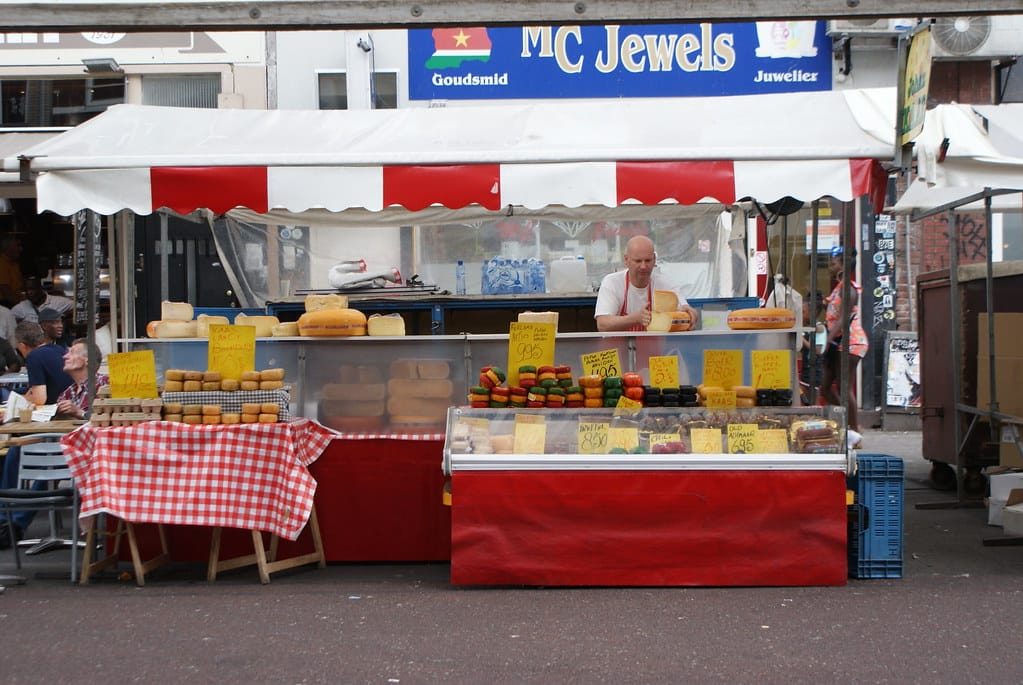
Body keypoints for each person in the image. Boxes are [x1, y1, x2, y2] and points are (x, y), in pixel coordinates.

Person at [1, 338, 105, 546]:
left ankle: (15, 525)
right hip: (65, 450)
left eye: (71, 352)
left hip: (91, 453)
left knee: (48, 463)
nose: (64, 356)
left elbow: (105, 420)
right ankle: (4, 520)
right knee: (17, 451)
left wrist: (81, 412)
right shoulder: (67, 393)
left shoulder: (103, 385)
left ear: (86, 360)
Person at [594, 235, 698, 332]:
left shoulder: (665, 284)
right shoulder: (612, 282)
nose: (643, 266)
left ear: (654, 259)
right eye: (638, 261)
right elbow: (603, 324)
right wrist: (635, 319)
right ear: (626, 260)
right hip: (619, 350)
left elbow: (686, 311)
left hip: (654, 351)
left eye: (648, 260)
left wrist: (691, 314)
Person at [820, 245, 868, 447]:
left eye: (833, 264)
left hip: (851, 342)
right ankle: (849, 419)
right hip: (838, 343)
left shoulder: (848, 289)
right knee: (825, 387)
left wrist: (826, 339)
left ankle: (855, 433)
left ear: (842, 266)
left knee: (844, 386)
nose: (830, 267)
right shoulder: (839, 288)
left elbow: (843, 319)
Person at [14, 319, 72, 407]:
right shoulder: (59, 349)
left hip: (57, 409)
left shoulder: (33, 357)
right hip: (71, 401)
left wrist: (23, 398)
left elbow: (39, 399)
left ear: (22, 346)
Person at [0, 233, 24, 307]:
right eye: (17, 246)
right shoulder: (2, 263)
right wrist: (23, 306)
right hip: (4, 305)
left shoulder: (14, 263)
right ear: (7, 248)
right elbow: (7, 293)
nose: (21, 249)